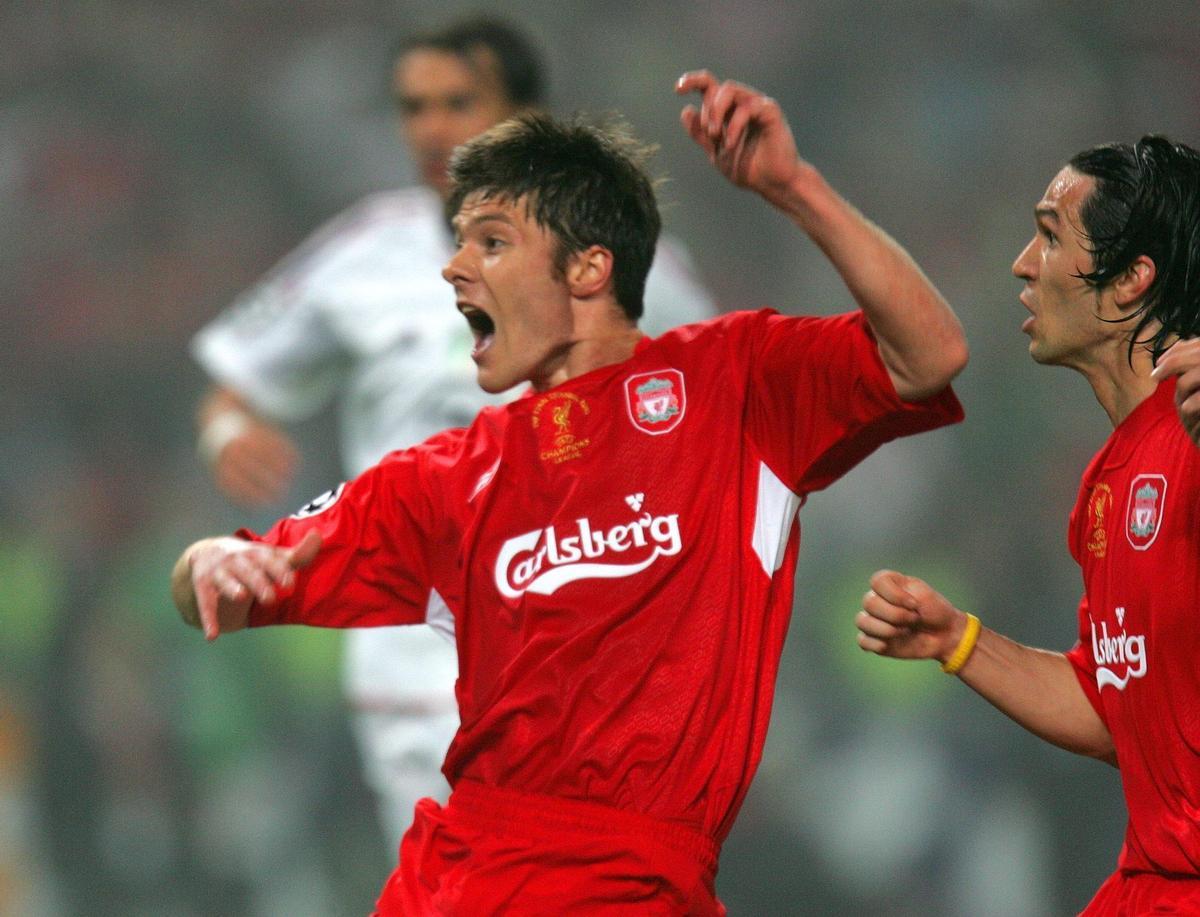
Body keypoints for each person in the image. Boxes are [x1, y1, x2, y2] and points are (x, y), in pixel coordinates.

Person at [172, 70, 967, 913]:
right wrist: (209, 560)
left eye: (489, 241)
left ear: (589, 267)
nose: (451, 269)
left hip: (641, 877)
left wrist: (795, 189)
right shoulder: (448, 476)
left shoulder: (736, 386)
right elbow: (221, 584)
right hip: (473, 877)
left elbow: (928, 354)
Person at [189, 16, 717, 851]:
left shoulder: (624, 265)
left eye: (458, 102)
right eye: (413, 107)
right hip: (412, 650)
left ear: (528, 116)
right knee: (462, 878)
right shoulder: (366, 252)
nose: (432, 129)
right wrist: (229, 431)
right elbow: (235, 381)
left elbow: (713, 410)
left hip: (577, 647)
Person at [856, 135, 1200, 915]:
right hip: (1153, 880)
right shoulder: (1104, 484)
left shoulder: (1192, 429)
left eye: (1049, 235)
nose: (1021, 263)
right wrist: (959, 641)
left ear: (1129, 281)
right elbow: (1113, 703)